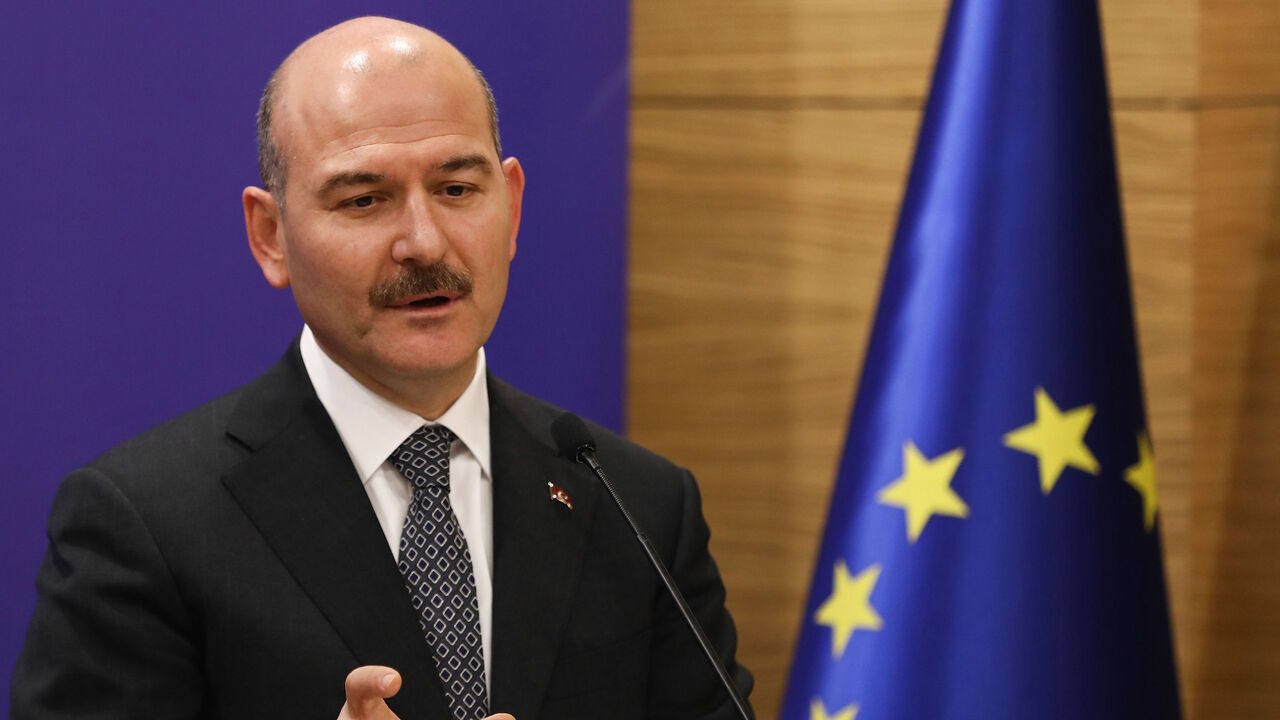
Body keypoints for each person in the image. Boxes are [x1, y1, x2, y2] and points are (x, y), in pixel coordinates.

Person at [10, 16, 752, 720]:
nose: (425, 243)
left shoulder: (636, 503)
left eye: (458, 189)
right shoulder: (146, 523)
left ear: (514, 206)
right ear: (270, 235)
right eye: (365, 199)